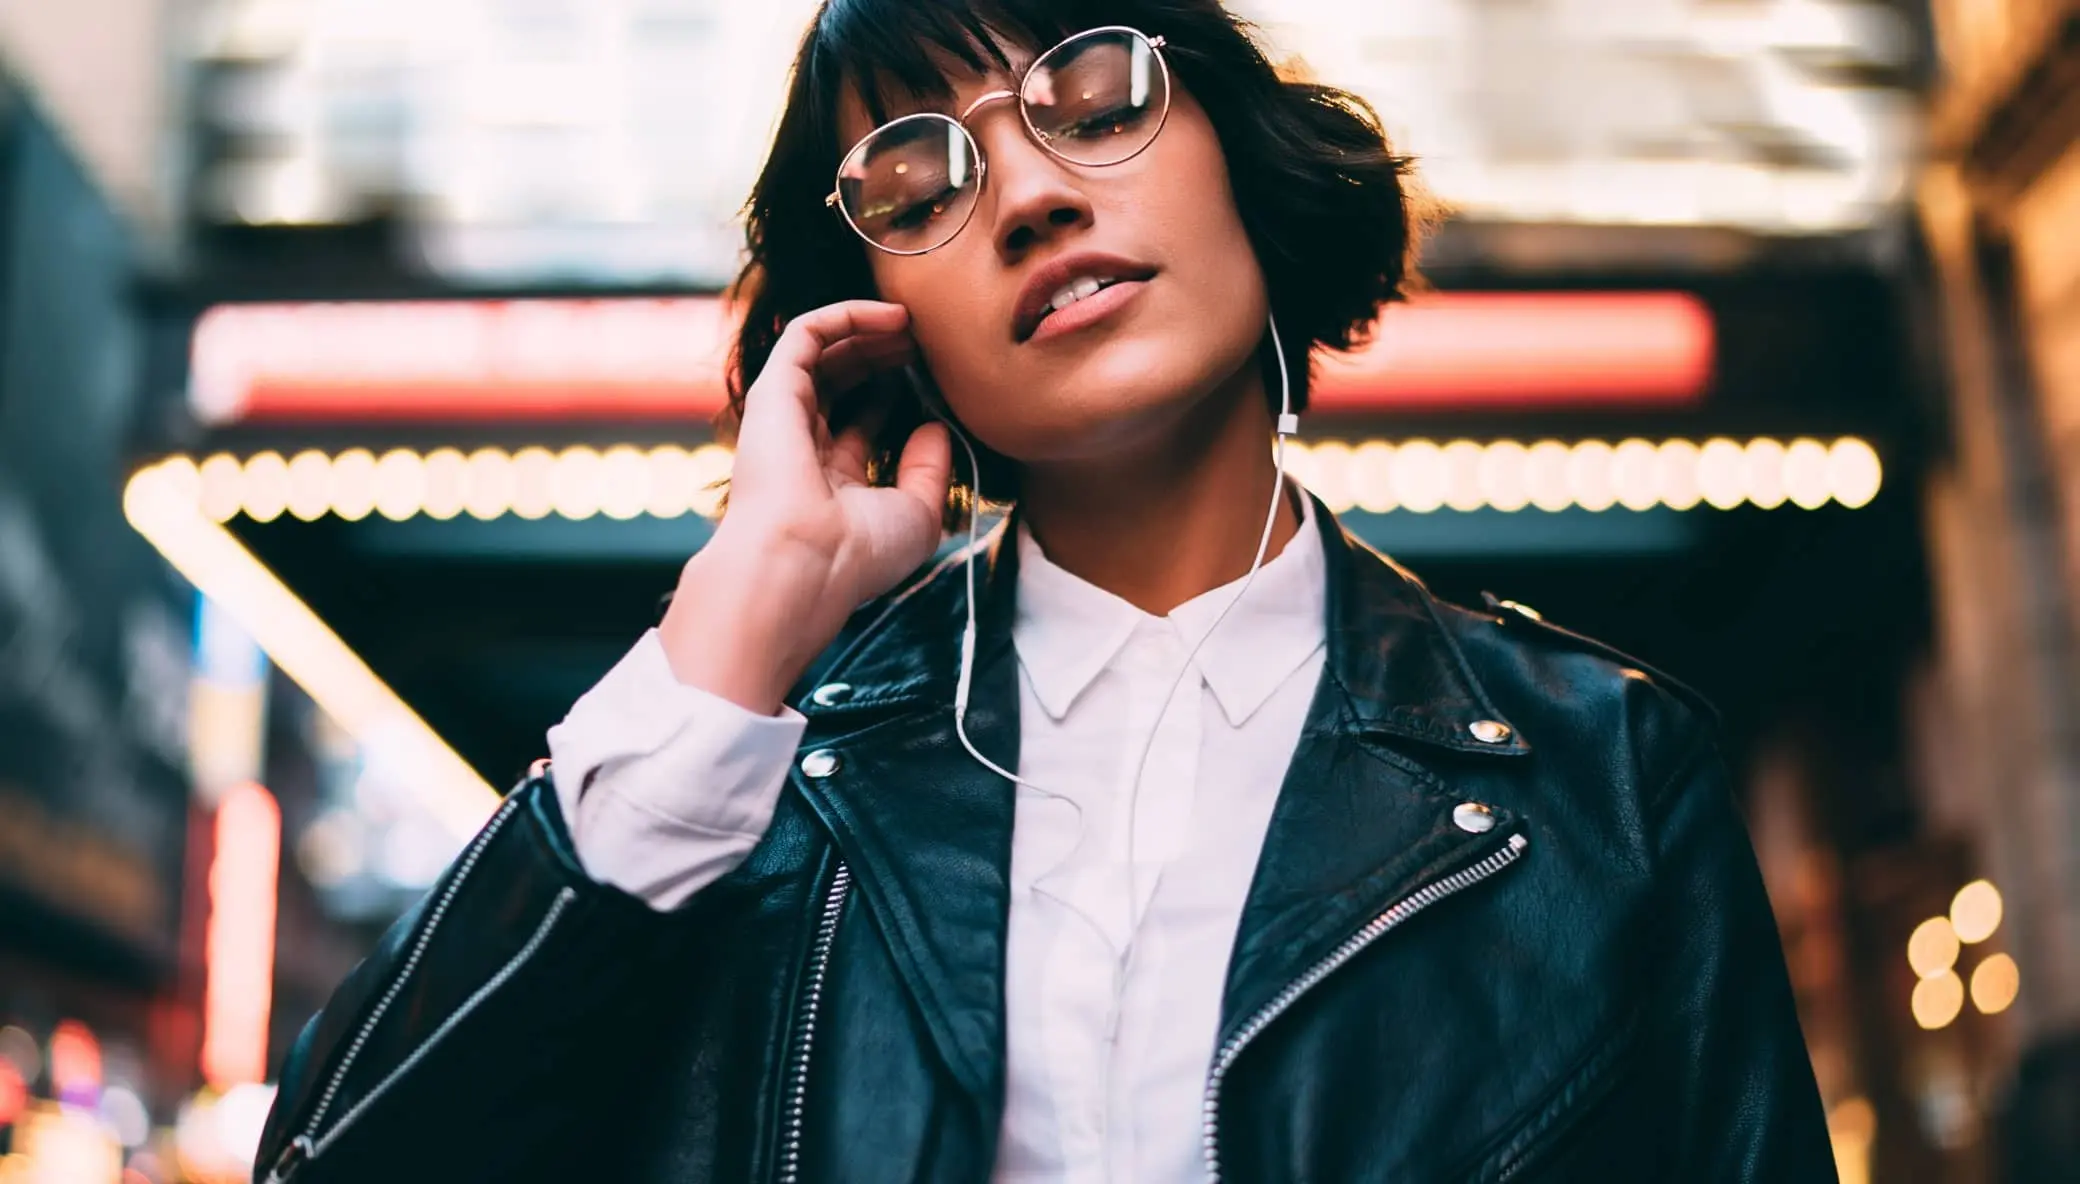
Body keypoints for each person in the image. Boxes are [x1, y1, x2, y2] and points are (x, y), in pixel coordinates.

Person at [254, 1, 1836, 1181]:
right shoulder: (749, 796)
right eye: (916, 180)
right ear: (876, 312)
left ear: (1238, 147)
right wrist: (725, 643)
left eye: (1092, 99)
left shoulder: (1607, 780)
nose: (1026, 197)